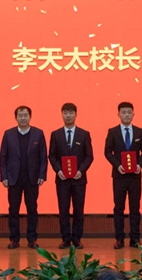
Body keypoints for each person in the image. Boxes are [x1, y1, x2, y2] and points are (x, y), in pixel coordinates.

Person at [0, 105, 47, 249]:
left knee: (32, 209)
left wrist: (42, 175)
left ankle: (32, 239)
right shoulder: (8, 134)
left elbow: (43, 157)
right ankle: (14, 239)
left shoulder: (38, 133)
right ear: (16, 118)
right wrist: (4, 176)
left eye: (25, 115)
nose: (23, 118)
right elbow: (3, 157)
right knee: (13, 210)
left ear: (30, 117)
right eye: (20, 115)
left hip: (32, 178)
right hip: (14, 178)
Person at [104, 101, 142, 249]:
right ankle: (119, 239)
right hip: (119, 176)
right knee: (119, 208)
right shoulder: (112, 132)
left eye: (129, 112)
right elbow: (107, 152)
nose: (126, 115)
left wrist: (139, 165)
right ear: (118, 114)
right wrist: (118, 165)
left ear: (133, 114)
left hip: (135, 176)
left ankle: (135, 239)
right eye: (123, 112)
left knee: (135, 208)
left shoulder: (139, 132)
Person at [48, 103, 93, 249]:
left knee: (78, 210)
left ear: (76, 114)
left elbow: (89, 156)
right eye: (65, 113)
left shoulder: (84, 134)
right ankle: (65, 238)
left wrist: (81, 170)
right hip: (62, 179)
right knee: (63, 209)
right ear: (61, 114)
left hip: (79, 179)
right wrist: (58, 170)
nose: (68, 116)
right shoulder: (56, 134)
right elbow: (52, 155)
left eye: (71, 113)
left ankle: (77, 238)